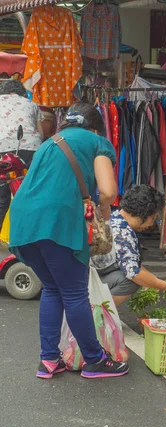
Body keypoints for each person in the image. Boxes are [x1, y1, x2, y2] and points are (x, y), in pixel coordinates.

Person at [9, 103, 129, 380]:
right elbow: (108, 191)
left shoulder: (48, 143)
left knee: (52, 288)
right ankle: (95, 360)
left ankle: (49, 360)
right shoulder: (97, 142)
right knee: (74, 293)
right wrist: (103, 211)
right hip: (58, 221)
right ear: (95, 127)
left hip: (24, 222)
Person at [91, 185, 166, 306]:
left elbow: (133, 263)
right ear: (144, 213)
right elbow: (133, 273)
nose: (152, 223)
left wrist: (153, 282)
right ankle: (99, 314)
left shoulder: (115, 217)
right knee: (131, 281)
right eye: (154, 218)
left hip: (90, 276)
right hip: (87, 281)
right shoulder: (123, 232)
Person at [0, 79, 44, 225]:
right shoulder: (33, 105)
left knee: (1, 198)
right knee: (28, 194)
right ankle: (28, 237)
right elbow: (41, 134)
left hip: (2, 149)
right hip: (31, 149)